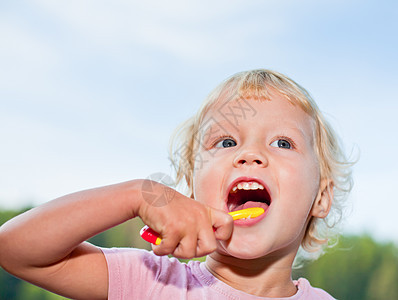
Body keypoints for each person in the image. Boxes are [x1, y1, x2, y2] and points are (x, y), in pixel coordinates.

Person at [0, 69, 353, 299]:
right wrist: (137, 194)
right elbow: (16, 251)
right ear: (193, 191)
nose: (250, 154)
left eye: (282, 143)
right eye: (226, 142)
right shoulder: (151, 283)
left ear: (321, 197)